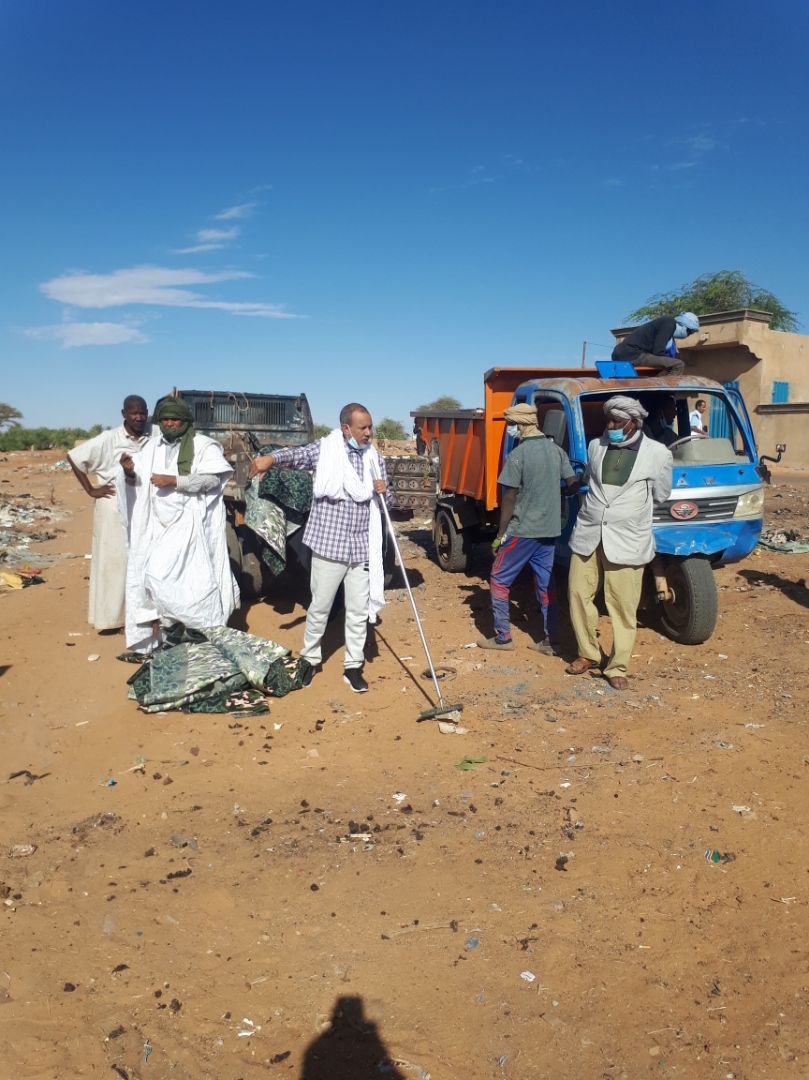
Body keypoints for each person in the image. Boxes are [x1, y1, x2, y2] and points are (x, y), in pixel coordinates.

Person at [248, 403, 389, 693]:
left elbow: (387, 499)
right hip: (330, 545)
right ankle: (310, 659)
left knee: (358, 611)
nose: (368, 433)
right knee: (320, 607)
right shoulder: (326, 450)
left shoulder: (374, 458)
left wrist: (386, 490)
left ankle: (353, 667)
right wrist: (270, 460)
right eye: (363, 427)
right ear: (346, 428)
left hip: (362, 547)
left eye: (370, 426)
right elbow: (296, 455)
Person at [566, 396, 672, 690]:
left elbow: (661, 494)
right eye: (608, 420)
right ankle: (588, 652)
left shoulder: (658, 454)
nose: (610, 426)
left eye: (617, 422)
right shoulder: (595, 446)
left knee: (623, 606)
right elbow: (591, 480)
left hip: (627, 540)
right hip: (589, 534)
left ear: (633, 424)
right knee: (577, 593)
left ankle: (617, 666)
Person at [117, 397, 239, 652]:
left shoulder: (203, 446)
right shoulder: (150, 448)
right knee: (155, 577)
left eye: (175, 419)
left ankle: (199, 634)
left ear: (186, 421)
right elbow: (136, 483)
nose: (170, 424)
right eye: (165, 420)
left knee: (192, 584)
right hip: (157, 526)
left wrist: (176, 481)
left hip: (191, 525)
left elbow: (212, 480)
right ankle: (172, 635)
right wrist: (128, 472)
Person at [478, 403, 579, 654]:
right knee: (546, 585)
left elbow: (509, 499)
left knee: (499, 580)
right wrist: (556, 494)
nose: (510, 429)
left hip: (523, 530)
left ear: (521, 425)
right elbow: (573, 484)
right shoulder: (556, 451)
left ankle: (503, 638)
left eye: (511, 424)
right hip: (549, 530)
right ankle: (550, 640)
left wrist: (499, 536)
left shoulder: (518, 455)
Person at [67, 395, 151, 632]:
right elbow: (74, 457)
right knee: (113, 562)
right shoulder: (109, 439)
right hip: (112, 504)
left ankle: (135, 617)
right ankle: (110, 619)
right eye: (133, 413)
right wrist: (91, 490)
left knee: (137, 562)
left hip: (140, 506)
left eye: (142, 413)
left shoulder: (151, 435)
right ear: (124, 414)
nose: (138, 417)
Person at [612, 312, 700, 376]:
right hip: (633, 354)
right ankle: (663, 392)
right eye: (689, 332)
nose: (687, 335)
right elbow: (658, 351)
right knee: (678, 364)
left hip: (622, 353)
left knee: (666, 364)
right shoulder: (669, 323)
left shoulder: (665, 325)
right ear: (683, 325)